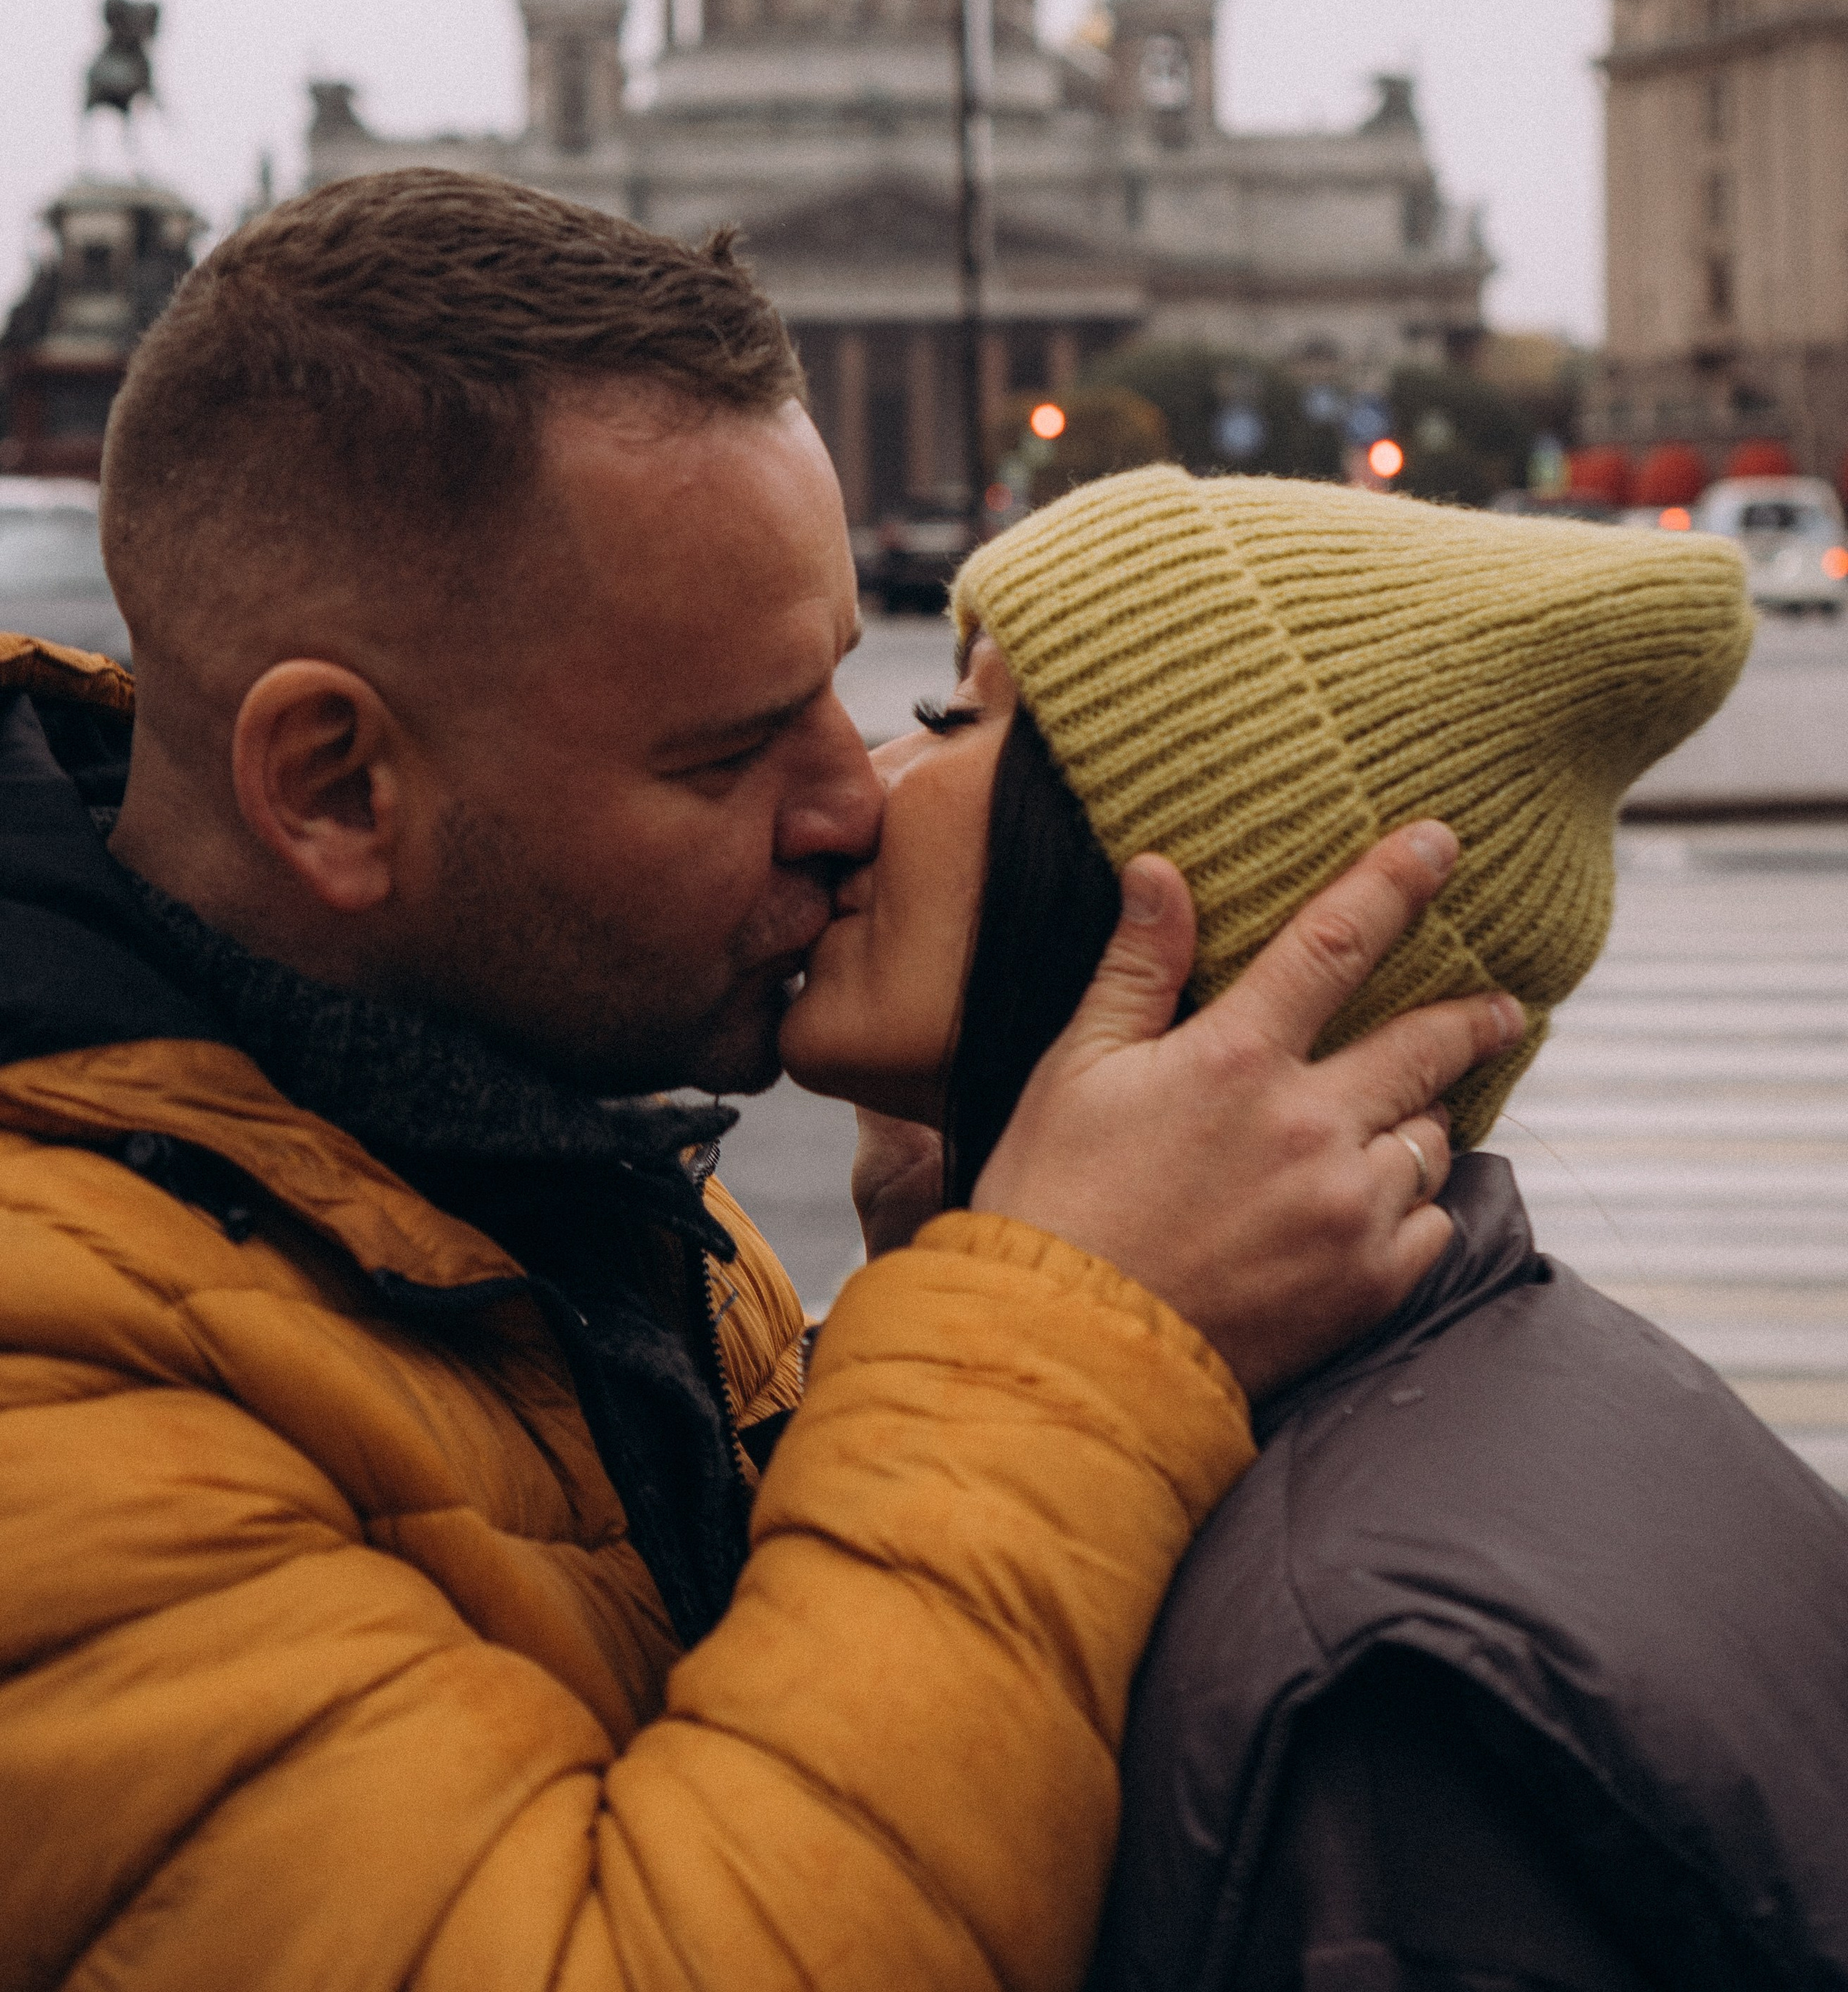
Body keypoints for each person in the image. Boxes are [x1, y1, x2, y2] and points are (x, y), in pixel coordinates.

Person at [0, 171, 1522, 1992]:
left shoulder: (513, 1128)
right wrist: (1059, 1327)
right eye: (729, 750)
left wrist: (929, 1276)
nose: (856, 799)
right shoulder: (51, 1363)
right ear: (334, 787)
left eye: (841, 687)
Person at [782, 461, 1848, 1991]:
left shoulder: (1372, 1704)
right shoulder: (1439, 1414)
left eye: (959, 722)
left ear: (1178, 906)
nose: (863, 785)